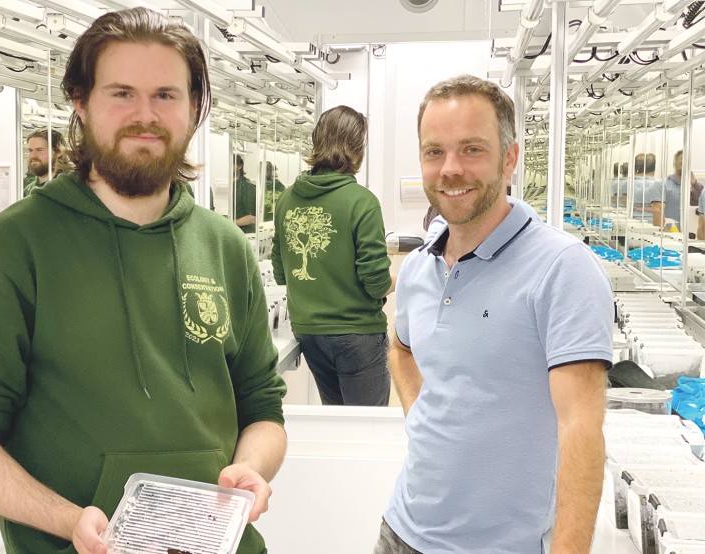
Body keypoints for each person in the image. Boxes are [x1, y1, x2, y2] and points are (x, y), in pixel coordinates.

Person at [0, 8, 287, 554]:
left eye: (166, 95)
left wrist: (250, 470)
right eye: (122, 93)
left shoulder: (225, 248)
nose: (145, 115)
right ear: (81, 102)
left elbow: (263, 409)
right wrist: (67, 519)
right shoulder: (14, 247)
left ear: (194, 108)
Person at [380, 75, 613, 554]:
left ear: (510, 158)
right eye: (433, 152)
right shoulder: (418, 268)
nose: (450, 169)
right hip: (401, 530)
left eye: (471, 149)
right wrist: (421, 414)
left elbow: (581, 426)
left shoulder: (561, 268)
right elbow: (401, 349)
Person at [270, 105, 393, 406]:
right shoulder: (361, 202)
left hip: (309, 334)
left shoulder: (287, 199)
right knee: (368, 431)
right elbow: (375, 281)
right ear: (357, 146)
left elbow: (280, 272)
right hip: (357, 334)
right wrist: (395, 282)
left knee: (335, 423)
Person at [650, 150, 698, 231]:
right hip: (670, 235)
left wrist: (695, 185)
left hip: (690, 236)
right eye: (681, 160)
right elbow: (658, 211)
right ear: (674, 163)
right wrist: (664, 234)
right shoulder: (662, 185)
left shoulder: (695, 188)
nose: (684, 162)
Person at [23, 129, 70, 196]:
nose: (33, 155)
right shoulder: (29, 190)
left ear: (58, 152)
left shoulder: (69, 186)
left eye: (39, 150)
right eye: (30, 150)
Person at [233, 154, 257, 233]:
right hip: (232, 231)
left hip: (245, 233)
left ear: (240, 166)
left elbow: (252, 217)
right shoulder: (231, 185)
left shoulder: (247, 186)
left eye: (232, 164)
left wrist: (229, 223)